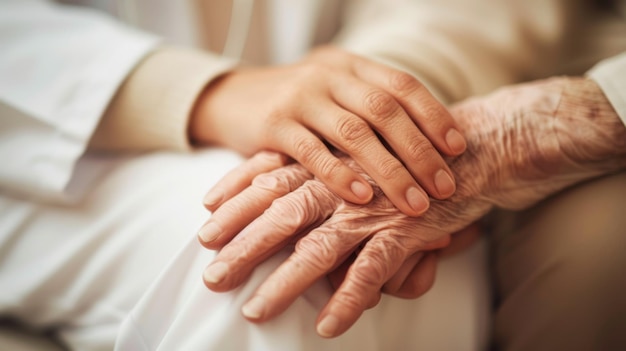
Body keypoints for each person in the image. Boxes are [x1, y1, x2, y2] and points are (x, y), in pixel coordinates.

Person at [0, 0, 624, 350]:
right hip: (38, 133)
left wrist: (377, 113)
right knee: (258, 259)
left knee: (326, 256)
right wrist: (199, 92)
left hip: (371, 82)